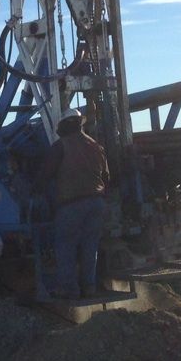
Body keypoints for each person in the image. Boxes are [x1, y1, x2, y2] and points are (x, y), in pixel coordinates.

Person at [37, 108, 110, 299]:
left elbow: (46, 175)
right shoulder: (96, 146)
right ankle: (89, 287)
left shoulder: (60, 147)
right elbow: (106, 176)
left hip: (72, 205)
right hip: (97, 203)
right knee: (90, 246)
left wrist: (34, 191)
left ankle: (70, 290)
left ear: (63, 126)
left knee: (65, 246)